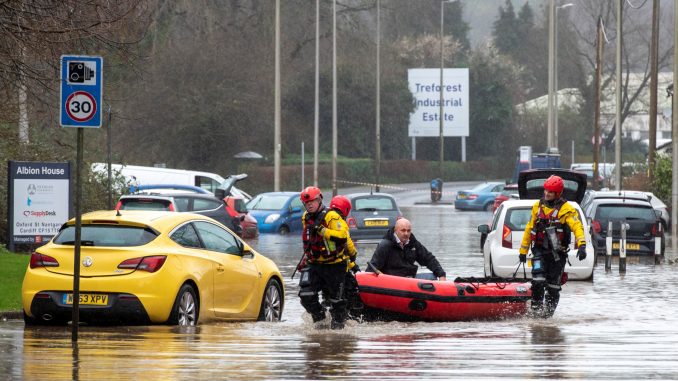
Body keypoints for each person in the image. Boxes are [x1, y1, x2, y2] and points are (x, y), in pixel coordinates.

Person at [518, 175, 587, 318]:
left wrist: (582, 245)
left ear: (558, 193)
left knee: (553, 288)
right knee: (537, 281)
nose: (546, 193)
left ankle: (547, 317)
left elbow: (577, 226)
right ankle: (535, 314)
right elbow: (529, 228)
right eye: (546, 190)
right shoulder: (538, 207)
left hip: (557, 255)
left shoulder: (566, 210)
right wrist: (523, 251)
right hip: (539, 251)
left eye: (550, 192)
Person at [297, 187, 357, 329]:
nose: (309, 205)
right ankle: (320, 319)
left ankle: (338, 333)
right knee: (306, 295)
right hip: (315, 264)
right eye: (306, 203)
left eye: (312, 201)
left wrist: (323, 231)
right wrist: (306, 257)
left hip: (335, 265)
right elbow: (310, 240)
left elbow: (343, 235)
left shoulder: (331, 216)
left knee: (338, 302)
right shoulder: (305, 217)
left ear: (319, 200)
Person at [366, 218, 447, 281]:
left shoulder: (413, 243)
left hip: (410, 280)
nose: (406, 233)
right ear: (396, 230)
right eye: (403, 230)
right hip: (391, 282)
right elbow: (372, 268)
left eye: (408, 231)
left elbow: (429, 258)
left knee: (432, 277)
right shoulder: (385, 245)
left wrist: (442, 275)